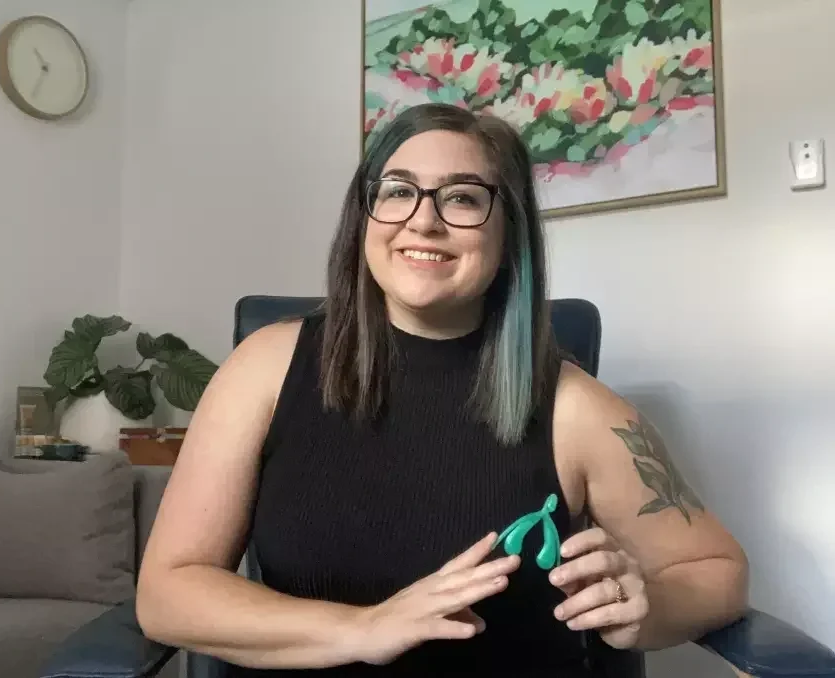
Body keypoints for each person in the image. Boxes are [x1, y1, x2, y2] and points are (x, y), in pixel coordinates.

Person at [135, 103, 749, 676]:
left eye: (461, 198)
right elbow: (168, 592)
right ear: (364, 218)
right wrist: (364, 628)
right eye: (398, 191)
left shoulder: (577, 409)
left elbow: (718, 572)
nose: (422, 220)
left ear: (509, 233)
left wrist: (645, 603)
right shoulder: (262, 368)